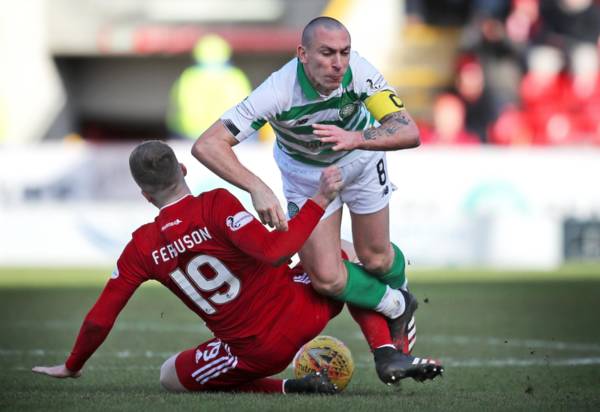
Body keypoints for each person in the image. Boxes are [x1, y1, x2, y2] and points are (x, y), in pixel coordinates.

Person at [31, 141, 443, 393]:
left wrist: (72, 366)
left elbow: (101, 319)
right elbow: (275, 251)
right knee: (340, 253)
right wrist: (317, 200)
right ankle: (386, 350)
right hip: (308, 308)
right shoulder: (216, 204)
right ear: (185, 170)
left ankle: (286, 388)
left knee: (169, 377)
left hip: (255, 353)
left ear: (143, 194)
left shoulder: (141, 247)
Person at [192, 16, 420, 350]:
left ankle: (399, 287)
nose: (338, 63)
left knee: (376, 259)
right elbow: (207, 144)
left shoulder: (359, 72)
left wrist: (355, 138)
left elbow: (408, 131)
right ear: (302, 53)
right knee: (326, 278)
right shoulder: (278, 91)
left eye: (344, 52)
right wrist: (257, 186)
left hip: (360, 160)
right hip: (305, 175)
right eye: (327, 53)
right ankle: (398, 304)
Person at [166, 34, 252, 140]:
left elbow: (176, 110)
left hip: (190, 135)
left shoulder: (188, 77)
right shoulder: (234, 77)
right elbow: (247, 111)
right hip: (226, 133)